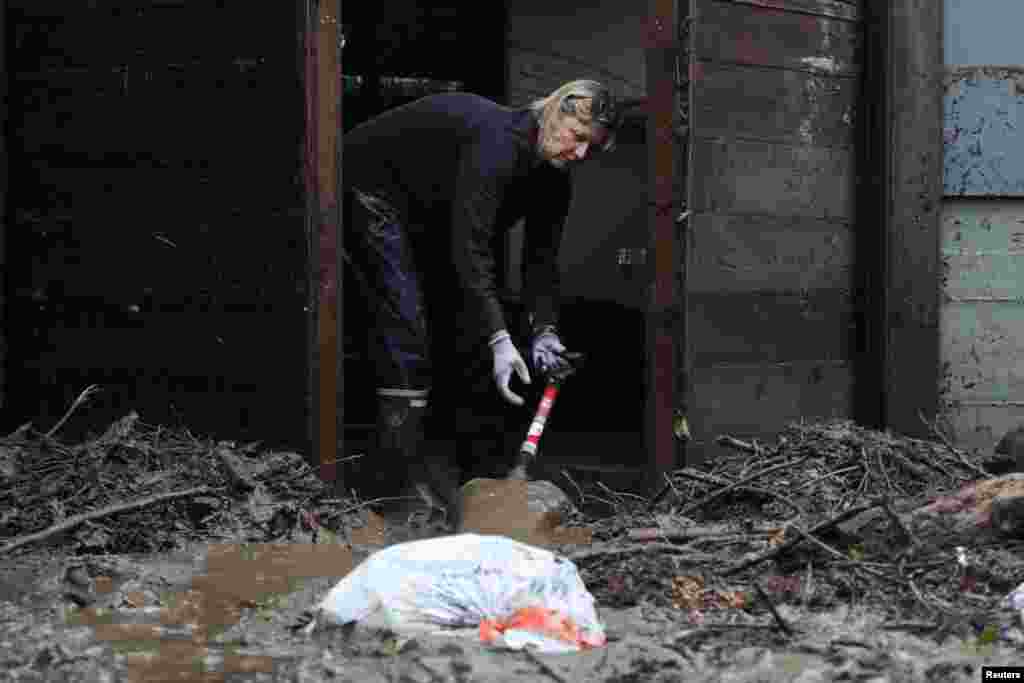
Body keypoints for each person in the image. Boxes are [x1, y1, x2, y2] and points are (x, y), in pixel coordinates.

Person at [342, 80, 622, 524]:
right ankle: (397, 486)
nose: (581, 154)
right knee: (407, 325)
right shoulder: (497, 145)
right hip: (370, 188)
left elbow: (541, 263)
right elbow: (472, 250)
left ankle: (458, 474)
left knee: (462, 323)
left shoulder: (554, 176)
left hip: (430, 211)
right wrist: (499, 338)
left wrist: (544, 331)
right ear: (559, 109)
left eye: (593, 148)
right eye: (580, 137)